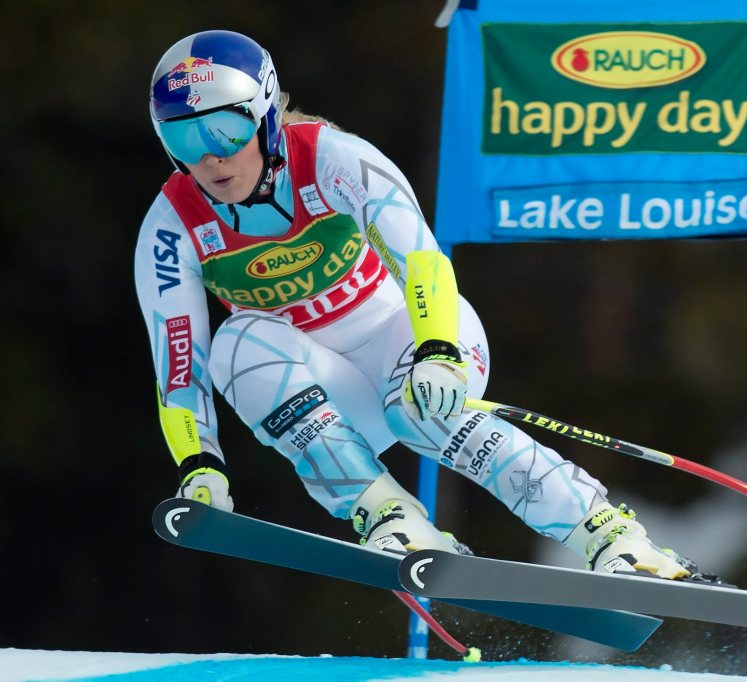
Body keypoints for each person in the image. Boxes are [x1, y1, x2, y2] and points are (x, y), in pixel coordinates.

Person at [135, 29, 706, 581]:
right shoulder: (172, 224)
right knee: (235, 345)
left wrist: (437, 350)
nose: (211, 158)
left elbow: (422, 262)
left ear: (263, 117)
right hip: (328, 389)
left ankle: (610, 535)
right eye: (185, 139)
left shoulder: (334, 159)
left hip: (412, 331)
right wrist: (199, 463)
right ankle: (390, 515)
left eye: (226, 131)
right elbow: (178, 365)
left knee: (418, 409)